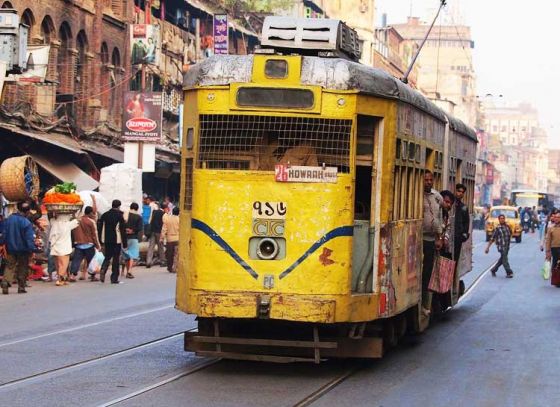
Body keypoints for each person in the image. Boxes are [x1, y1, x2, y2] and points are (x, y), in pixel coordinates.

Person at [1, 202, 37, 294]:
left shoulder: (8, 220)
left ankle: (5, 282)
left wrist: (2, 243)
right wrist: (32, 249)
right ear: (28, 211)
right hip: (23, 249)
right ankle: (21, 287)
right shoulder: (26, 222)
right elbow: (29, 238)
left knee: (9, 266)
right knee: (23, 267)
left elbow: (3, 234)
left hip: (10, 248)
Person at [422, 170, 443, 316]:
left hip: (431, 239)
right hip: (419, 238)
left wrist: (440, 237)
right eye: (426, 180)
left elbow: (442, 214)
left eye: (430, 180)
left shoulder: (437, 197)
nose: (429, 182)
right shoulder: (417, 195)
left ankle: (426, 304)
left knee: (428, 273)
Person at [98, 200, 128, 284]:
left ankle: (103, 269)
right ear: (119, 206)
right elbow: (122, 230)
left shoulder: (105, 215)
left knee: (107, 256)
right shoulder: (119, 216)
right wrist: (125, 244)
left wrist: (100, 240)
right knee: (115, 259)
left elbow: (100, 228)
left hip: (107, 240)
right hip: (116, 240)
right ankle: (114, 278)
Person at [49, 209, 79, 286]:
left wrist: (53, 213)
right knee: (64, 264)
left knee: (58, 265)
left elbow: (50, 217)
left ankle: (63, 279)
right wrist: (73, 213)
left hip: (55, 247)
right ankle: (60, 280)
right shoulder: (68, 224)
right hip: (64, 247)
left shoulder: (54, 223)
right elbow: (77, 221)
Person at [70, 206, 101, 282]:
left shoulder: (77, 221)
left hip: (78, 244)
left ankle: (72, 276)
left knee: (76, 261)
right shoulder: (91, 222)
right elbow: (95, 234)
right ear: (90, 213)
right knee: (91, 261)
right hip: (89, 244)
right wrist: (98, 245)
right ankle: (93, 276)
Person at [122, 203, 143, 279]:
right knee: (132, 255)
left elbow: (121, 225)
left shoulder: (124, 214)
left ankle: (127, 271)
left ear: (130, 207)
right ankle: (130, 271)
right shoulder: (139, 217)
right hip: (133, 238)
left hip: (124, 238)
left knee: (127, 256)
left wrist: (126, 230)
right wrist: (132, 231)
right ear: (137, 209)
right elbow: (140, 228)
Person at [454, 183, 470, 262]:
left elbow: (466, 222)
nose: (460, 193)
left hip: (458, 238)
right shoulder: (450, 203)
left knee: (455, 259)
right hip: (448, 237)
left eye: (462, 192)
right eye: (458, 191)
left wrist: (464, 234)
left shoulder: (464, 207)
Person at [146, 202, 165, 268]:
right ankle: (162, 260)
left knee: (151, 247)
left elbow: (150, 221)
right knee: (161, 247)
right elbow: (163, 224)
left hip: (152, 231)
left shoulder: (154, 212)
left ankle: (148, 261)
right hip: (159, 232)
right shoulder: (162, 213)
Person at [161, 207, 180, 273]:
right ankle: (175, 267)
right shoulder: (180, 220)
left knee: (170, 255)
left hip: (169, 239)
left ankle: (169, 267)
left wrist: (162, 238)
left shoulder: (168, 219)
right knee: (176, 254)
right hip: (177, 239)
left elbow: (164, 229)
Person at [545, 211, 560, 287]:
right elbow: (548, 241)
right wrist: (548, 251)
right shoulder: (551, 228)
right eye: (556, 217)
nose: (556, 219)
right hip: (554, 249)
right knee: (555, 264)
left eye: (558, 217)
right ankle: (556, 280)